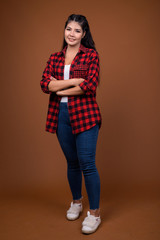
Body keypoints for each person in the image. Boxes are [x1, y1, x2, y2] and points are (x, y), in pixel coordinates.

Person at [40, 14, 102, 234]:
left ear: (84, 34)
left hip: (85, 115)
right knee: (72, 162)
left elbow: (90, 85)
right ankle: (76, 201)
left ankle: (94, 213)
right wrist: (76, 81)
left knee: (87, 163)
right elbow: (45, 84)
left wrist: (61, 88)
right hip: (60, 115)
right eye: (69, 29)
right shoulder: (55, 57)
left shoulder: (91, 56)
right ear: (64, 30)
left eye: (77, 30)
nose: (72, 34)